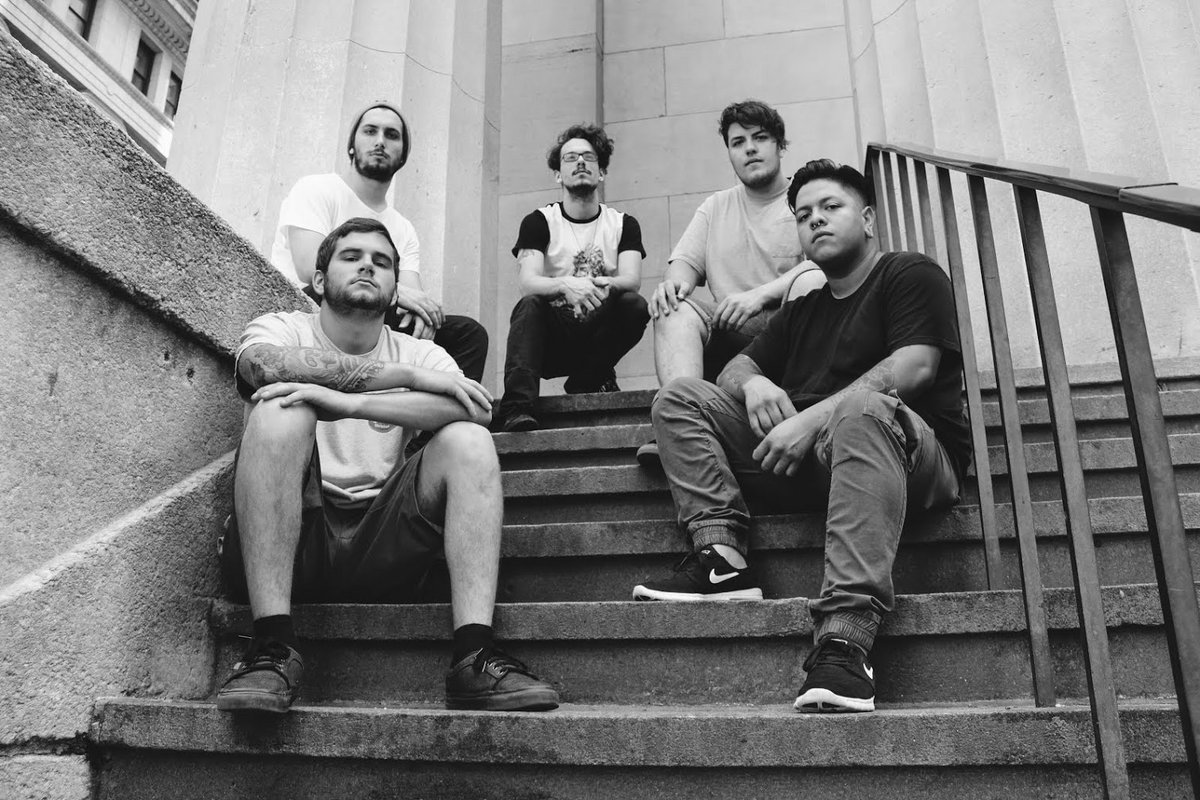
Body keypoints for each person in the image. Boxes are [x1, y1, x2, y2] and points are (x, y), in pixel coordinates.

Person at [631, 160, 969, 714]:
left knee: (862, 408)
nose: (815, 219)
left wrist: (807, 422)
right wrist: (756, 384)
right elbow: (734, 368)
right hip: (814, 462)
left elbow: (915, 368)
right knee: (680, 397)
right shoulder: (804, 308)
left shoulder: (909, 273)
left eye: (831, 207)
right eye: (804, 213)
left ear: (868, 218)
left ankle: (845, 641)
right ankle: (721, 556)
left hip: (908, 455)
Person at [217, 217, 559, 714]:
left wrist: (351, 403)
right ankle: (270, 646)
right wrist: (405, 378)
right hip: (296, 541)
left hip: (381, 544)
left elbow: (478, 410)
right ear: (318, 280)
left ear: (395, 289)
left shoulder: (422, 350)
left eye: (381, 262)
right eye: (352, 256)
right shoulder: (285, 327)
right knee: (280, 411)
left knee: (470, 441)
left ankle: (474, 655)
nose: (367, 267)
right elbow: (262, 367)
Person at [637, 100, 825, 466]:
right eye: (738, 142)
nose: (750, 148)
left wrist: (759, 296)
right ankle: (679, 424)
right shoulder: (715, 207)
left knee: (814, 280)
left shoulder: (805, 201)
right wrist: (671, 286)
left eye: (760, 138)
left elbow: (823, 266)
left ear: (780, 145)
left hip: (790, 332)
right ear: (730, 153)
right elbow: (682, 269)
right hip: (731, 331)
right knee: (673, 308)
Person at [270, 101, 488, 384]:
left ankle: (436, 411)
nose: (380, 141)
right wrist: (400, 293)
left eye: (391, 135)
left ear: (403, 155)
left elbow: (412, 297)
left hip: (373, 316)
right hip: (311, 308)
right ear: (352, 145)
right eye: (370, 131)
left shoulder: (403, 228)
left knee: (468, 335)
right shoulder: (317, 189)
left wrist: (420, 311)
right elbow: (310, 268)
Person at [492, 123, 649, 433]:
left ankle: (587, 379)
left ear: (602, 172)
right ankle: (518, 407)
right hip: (552, 338)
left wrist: (590, 286)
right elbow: (528, 283)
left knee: (635, 305)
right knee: (530, 305)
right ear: (558, 174)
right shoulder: (539, 221)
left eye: (589, 157)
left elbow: (631, 279)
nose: (580, 162)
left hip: (597, 329)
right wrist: (567, 285)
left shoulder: (622, 224)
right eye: (570, 157)